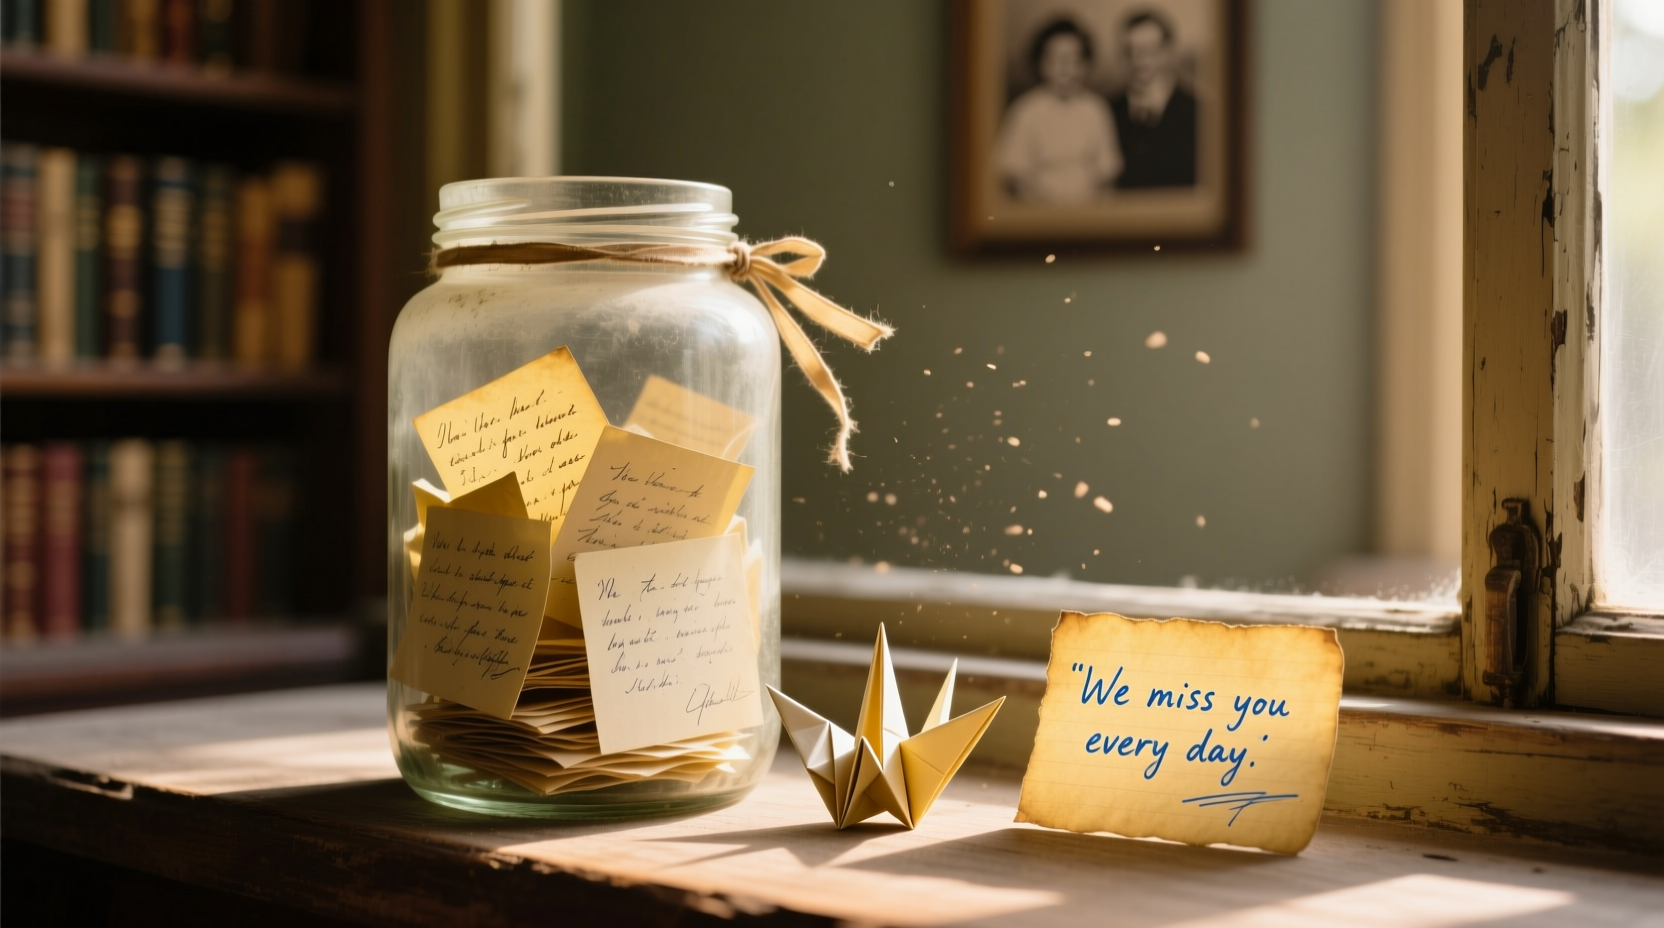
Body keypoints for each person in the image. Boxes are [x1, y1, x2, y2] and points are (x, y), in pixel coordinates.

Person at [996, 18, 1121, 204]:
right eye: (1055, 60)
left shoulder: (1096, 109)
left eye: (1074, 60)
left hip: (1089, 211)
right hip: (1038, 211)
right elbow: (1014, 175)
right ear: (1040, 64)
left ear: (1085, 65)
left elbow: (1107, 173)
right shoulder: (1025, 110)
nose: (1065, 68)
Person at [1109, 9, 1197, 188]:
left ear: (1170, 52)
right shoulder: (1106, 111)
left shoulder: (1198, 112)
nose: (1139, 61)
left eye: (1149, 51)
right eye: (1129, 52)